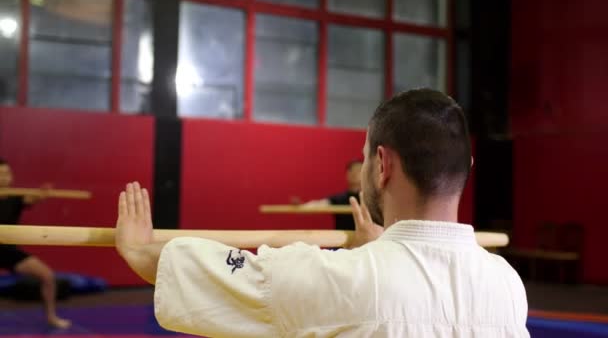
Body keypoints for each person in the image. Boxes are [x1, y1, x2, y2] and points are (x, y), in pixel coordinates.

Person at [115, 89, 529, 337]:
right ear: (466, 170)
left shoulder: (341, 278)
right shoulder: (507, 285)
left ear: (382, 166)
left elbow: (205, 273)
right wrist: (381, 252)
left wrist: (137, 250)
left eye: (366, 158)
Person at [0, 159, 71, 329]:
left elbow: (31, 198)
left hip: (8, 251)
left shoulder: (16, 196)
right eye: (0, 174)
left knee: (47, 276)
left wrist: (41, 194)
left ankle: (51, 317)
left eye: (7, 174)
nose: (4, 178)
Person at [300, 160, 363, 230]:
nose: (354, 173)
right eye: (351, 170)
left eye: (358, 170)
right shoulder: (339, 199)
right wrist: (302, 206)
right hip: (342, 238)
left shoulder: (371, 199)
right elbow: (320, 204)